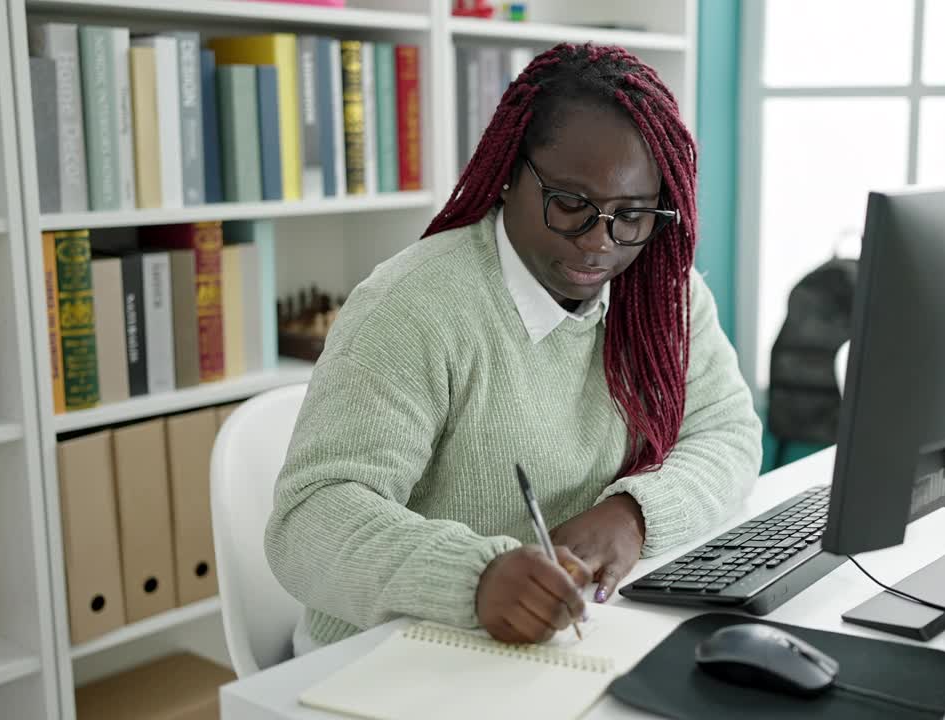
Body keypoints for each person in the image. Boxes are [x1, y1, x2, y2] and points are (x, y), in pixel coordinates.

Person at [266, 42, 762, 653]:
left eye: (631, 215)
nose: (599, 244)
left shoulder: (663, 290)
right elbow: (309, 522)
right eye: (572, 205)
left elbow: (728, 433)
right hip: (388, 653)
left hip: (566, 638)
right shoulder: (412, 307)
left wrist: (633, 515)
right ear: (507, 173)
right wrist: (474, 578)